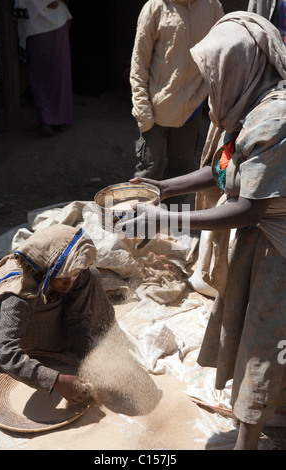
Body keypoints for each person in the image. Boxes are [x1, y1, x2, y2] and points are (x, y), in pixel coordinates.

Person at [118, 12, 286, 450]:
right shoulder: (255, 106)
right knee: (251, 332)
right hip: (260, 248)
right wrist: (164, 187)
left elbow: (247, 208)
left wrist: (163, 218)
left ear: (241, 66)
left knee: (261, 348)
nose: (209, 88)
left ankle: (247, 440)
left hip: (278, 259)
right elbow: (224, 170)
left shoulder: (276, 122)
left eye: (214, 76)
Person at [0, 224, 115, 404]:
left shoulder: (75, 274)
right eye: (64, 275)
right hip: (28, 329)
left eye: (74, 274)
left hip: (51, 311)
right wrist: (57, 381)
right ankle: (51, 347)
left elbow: (77, 318)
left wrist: (88, 356)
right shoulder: (18, 292)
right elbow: (6, 353)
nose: (70, 282)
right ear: (46, 269)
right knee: (11, 344)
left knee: (91, 275)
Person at [130, 0, 224, 209]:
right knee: (147, 174)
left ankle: (172, 232)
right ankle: (140, 232)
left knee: (181, 176)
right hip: (155, 111)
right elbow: (139, 64)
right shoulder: (155, 7)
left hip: (191, 110)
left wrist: (206, 96)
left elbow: (220, 52)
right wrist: (143, 112)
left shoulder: (211, 6)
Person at [14, 0, 73, 137]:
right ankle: (58, 120)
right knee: (58, 74)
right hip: (51, 24)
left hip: (36, 27)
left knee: (41, 76)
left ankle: (47, 120)